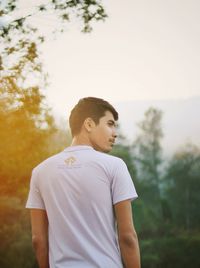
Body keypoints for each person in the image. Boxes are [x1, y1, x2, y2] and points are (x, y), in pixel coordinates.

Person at [26, 97, 141, 268]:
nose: (115, 133)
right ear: (88, 124)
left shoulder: (40, 171)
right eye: (110, 124)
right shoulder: (115, 166)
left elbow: (38, 240)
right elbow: (127, 237)